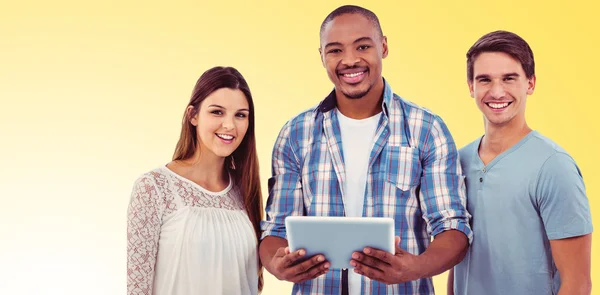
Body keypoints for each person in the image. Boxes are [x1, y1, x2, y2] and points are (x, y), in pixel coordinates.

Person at [259, 5, 472, 295]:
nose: (349, 60)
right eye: (335, 50)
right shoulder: (295, 134)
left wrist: (415, 267)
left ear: (383, 46)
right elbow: (275, 231)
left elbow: (453, 228)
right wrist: (277, 265)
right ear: (321, 56)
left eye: (362, 46)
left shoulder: (427, 129)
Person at [448, 30, 593, 295]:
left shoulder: (553, 166)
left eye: (509, 78)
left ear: (531, 83)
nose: (497, 91)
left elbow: (578, 283)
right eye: (485, 80)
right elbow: (456, 258)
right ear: (471, 87)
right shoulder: (457, 161)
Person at [126, 66, 264, 295]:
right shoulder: (154, 188)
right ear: (193, 116)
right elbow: (137, 289)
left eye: (240, 115)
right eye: (217, 112)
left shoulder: (245, 191)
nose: (229, 125)